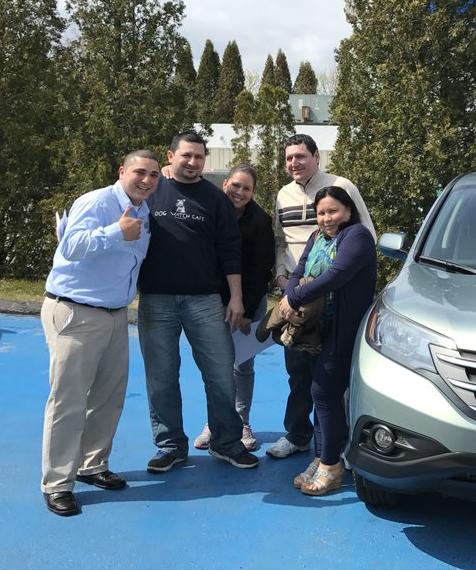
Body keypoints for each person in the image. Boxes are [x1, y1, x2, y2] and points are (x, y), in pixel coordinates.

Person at [40, 150, 161, 517]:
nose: (146, 180)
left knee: (108, 395)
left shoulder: (143, 211)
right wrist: (115, 232)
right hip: (76, 311)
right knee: (69, 400)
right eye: (140, 172)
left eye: (154, 175)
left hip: (114, 314)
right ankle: (57, 483)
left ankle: (91, 465)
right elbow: (70, 246)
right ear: (122, 171)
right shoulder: (96, 202)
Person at [136, 131, 258, 472]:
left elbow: (230, 250)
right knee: (161, 377)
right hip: (156, 300)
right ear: (170, 156)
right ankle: (170, 446)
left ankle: (226, 443)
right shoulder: (150, 191)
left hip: (205, 300)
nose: (192, 162)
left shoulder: (216, 199)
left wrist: (236, 298)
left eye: (199, 157)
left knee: (220, 374)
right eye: (186, 155)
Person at [266, 133, 375, 460]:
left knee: (333, 378)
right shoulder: (283, 194)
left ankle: (339, 444)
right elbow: (281, 240)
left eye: (301, 156)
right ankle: (298, 434)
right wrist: (283, 279)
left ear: (316, 157)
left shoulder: (341, 186)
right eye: (289, 158)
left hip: (334, 296)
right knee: (299, 372)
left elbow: (366, 233)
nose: (294, 163)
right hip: (296, 291)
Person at [279, 185, 377, 495]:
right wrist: (289, 297)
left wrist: (294, 299)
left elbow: (336, 275)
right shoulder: (317, 237)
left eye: (333, 211)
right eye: (321, 212)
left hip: (341, 330)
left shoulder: (357, 236)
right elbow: (299, 271)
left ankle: (332, 466)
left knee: (324, 394)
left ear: (348, 211)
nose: (326, 218)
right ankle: (322, 459)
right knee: (321, 394)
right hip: (316, 330)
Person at [193, 163, 275, 452]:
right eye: (236, 185)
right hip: (212, 301)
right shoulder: (209, 211)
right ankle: (215, 421)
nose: (240, 192)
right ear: (225, 184)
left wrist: (247, 311)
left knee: (242, 365)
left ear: (253, 193)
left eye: (247, 188)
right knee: (216, 366)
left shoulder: (261, 222)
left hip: (249, 300)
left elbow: (262, 269)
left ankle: (241, 421)